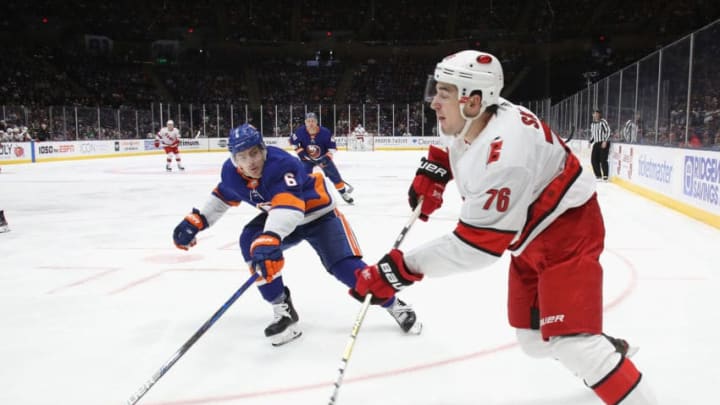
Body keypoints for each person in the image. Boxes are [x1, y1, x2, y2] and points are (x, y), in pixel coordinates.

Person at [350, 50, 656, 404]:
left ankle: (594, 353)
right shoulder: (476, 114)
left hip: (567, 234)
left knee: (570, 343)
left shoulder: (505, 155)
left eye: (444, 93)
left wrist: (399, 269)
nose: (434, 101)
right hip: (529, 238)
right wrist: (435, 169)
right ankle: (604, 352)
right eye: (435, 89)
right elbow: (450, 141)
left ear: (474, 100)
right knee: (532, 340)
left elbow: (475, 249)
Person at [172, 123, 421, 346]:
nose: (251, 162)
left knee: (347, 269)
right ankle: (283, 310)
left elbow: (289, 209)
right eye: (242, 157)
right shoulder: (230, 172)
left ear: (263, 149)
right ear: (234, 160)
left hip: (319, 216)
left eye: (255, 153)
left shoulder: (282, 164)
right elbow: (224, 196)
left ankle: (394, 305)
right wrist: (197, 221)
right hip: (281, 217)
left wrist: (270, 237)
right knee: (250, 241)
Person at [290, 113, 354, 204]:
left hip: (323, 157)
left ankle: (343, 193)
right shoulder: (299, 132)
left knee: (335, 176)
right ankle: (304, 196)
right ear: (305, 122)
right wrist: (300, 153)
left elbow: (332, 148)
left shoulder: (325, 132)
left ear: (317, 122)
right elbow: (293, 143)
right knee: (304, 177)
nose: (311, 123)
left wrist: (327, 157)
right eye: (308, 121)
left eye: (313, 121)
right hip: (307, 159)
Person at [590, 109, 611, 180]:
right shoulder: (592, 124)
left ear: (599, 114)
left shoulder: (603, 122)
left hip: (603, 142)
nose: (595, 115)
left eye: (597, 113)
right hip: (596, 143)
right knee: (593, 160)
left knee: (603, 159)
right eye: (594, 113)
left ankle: (605, 176)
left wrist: (605, 141)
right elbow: (593, 135)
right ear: (592, 115)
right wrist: (590, 141)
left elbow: (608, 131)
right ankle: (598, 175)